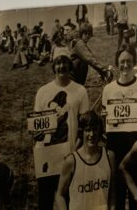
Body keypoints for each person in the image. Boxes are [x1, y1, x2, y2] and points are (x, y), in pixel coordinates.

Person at [34, 51, 89, 210]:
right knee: (45, 198)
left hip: (69, 152)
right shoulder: (43, 92)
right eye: (58, 62)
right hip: (46, 153)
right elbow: (37, 126)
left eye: (65, 62)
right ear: (53, 66)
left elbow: (84, 125)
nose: (61, 66)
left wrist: (76, 150)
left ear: (70, 65)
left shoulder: (80, 91)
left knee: (67, 198)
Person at [102, 44, 137, 210]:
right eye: (122, 61)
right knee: (117, 189)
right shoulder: (108, 89)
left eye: (129, 61)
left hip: (136, 142)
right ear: (117, 64)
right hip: (116, 142)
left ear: (135, 62)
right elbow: (107, 120)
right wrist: (105, 117)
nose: (125, 65)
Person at [56, 110, 116, 210]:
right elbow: (60, 195)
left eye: (95, 129)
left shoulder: (109, 156)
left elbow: (112, 193)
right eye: (87, 130)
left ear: (100, 131)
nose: (91, 134)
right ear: (81, 132)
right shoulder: (72, 161)